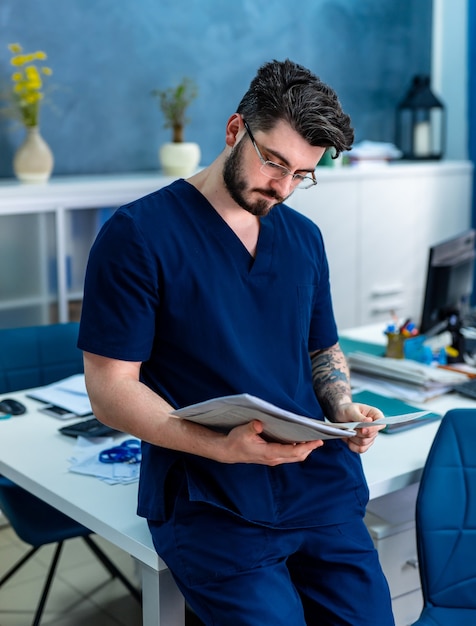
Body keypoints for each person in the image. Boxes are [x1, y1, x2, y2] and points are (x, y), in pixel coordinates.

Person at [78, 59, 395, 626]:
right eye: (274, 161)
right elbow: (109, 390)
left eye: (303, 174)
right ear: (234, 130)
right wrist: (218, 446)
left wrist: (341, 405)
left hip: (317, 486)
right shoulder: (138, 236)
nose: (283, 187)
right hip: (211, 496)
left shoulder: (303, 237)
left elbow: (322, 348)